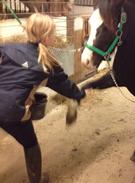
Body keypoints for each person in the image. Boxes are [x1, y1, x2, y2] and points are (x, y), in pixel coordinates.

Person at [0, 13, 85, 183]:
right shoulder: (47, 64)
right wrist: (80, 94)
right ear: (46, 37)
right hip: (10, 112)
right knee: (30, 143)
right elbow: (66, 86)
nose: (54, 37)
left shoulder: (8, 48)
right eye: (53, 34)